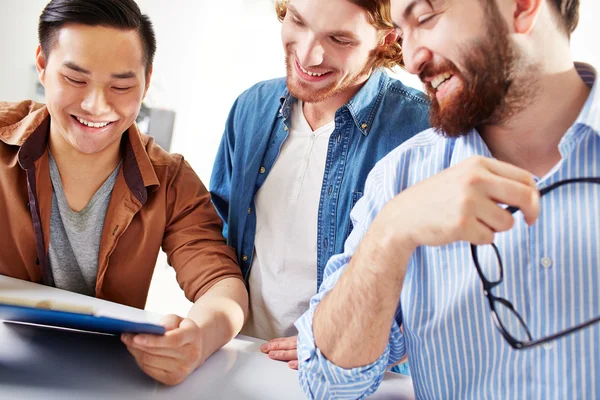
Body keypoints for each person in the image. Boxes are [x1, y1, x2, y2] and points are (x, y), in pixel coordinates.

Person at [296, 0, 600, 398]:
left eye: (426, 18)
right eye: (402, 35)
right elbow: (328, 386)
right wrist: (390, 233)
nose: (409, 60)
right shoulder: (398, 179)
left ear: (523, 6)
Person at [0, 0, 248, 386]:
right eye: (76, 79)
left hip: (106, 380)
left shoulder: (170, 179)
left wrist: (197, 339)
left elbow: (223, 288)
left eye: (121, 85)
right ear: (43, 65)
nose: (96, 105)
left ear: (147, 81)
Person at [209, 0, 430, 370]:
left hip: (354, 379)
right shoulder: (251, 107)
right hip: (241, 359)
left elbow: (448, 290)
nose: (309, 56)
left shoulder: (423, 133)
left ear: (387, 37)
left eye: (340, 39)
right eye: (297, 20)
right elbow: (214, 240)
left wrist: (333, 339)